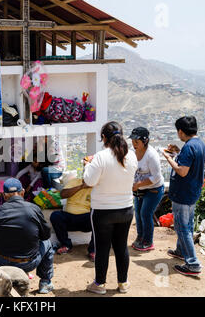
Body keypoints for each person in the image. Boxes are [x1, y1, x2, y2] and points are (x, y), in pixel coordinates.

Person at [83, 121, 138, 295]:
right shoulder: (132, 156)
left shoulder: (101, 156)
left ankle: (99, 284)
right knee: (121, 247)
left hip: (103, 211)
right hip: (126, 209)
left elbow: (89, 181)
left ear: (104, 138)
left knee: (102, 248)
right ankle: (123, 283)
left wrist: (87, 165)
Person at [0, 178, 55, 294]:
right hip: (27, 263)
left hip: (1, 261)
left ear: (5, 196)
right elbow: (45, 235)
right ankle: (45, 283)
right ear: (23, 192)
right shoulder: (34, 209)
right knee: (48, 244)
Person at [162, 116, 205, 276]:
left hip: (183, 193)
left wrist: (168, 157)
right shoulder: (200, 144)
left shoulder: (189, 147)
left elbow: (182, 170)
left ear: (181, 131)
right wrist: (177, 152)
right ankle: (181, 251)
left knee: (183, 228)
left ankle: (193, 264)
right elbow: (190, 162)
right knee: (186, 225)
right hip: (192, 191)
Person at [50, 159, 95, 260]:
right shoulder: (75, 181)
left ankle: (93, 250)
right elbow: (63, 194)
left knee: (98, 218)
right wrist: (82, 186)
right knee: (56, 216)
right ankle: (66, 245)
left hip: (86, 219)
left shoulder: (97, 187)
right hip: (70, 218)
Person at [130, 127, 165, 252]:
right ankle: (140, 237)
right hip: (139, 189)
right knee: (138, 214)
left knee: (146, 213)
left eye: (136, 142)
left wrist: (138, 184)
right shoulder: (132, 152)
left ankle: (148, 241)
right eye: (133, 141)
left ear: (144, 141)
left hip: (153, 189)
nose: (134, 144)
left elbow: (156, 177)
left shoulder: (151, 155)